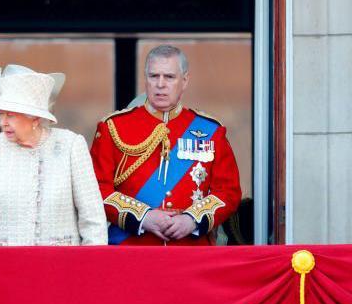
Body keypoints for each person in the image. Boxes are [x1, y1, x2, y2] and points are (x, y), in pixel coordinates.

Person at [89, 45, 242, 245]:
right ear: (146, 80)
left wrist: (192, 220)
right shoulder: (113, 127)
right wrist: (144, 217)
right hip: (130, 251)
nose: (160, 84)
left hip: (190, 251)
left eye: (169, 77)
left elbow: (228, 191)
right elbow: (96, 189)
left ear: (184, 80)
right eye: (154, 76)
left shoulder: (210, 130)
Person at [0, 66, 107, 246]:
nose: (3, 123)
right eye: (1, 114)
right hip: (3, 266)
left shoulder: (70, 146)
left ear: (35, 118)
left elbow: (93, 220)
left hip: (59, 267)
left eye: (11, 115)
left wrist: (89, 268)